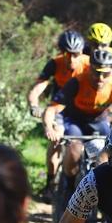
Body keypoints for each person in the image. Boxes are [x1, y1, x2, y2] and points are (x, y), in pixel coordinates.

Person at [42, 47, 112, 181]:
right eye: (96, 72)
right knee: (74, 151)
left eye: (105, 74)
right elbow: (52, 108)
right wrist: (49, 127)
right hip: (75, 121)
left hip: (99, 122)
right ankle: (69, 187)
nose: (100, 78)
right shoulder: (77, 81)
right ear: (89, 68)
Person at [30, 30, 90, 195]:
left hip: (82, 109)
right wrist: (34, 104)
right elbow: (40, 85)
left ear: (81, 52)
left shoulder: (90, 64)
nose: (71, 59)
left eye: (75, 54)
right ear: (61, 52)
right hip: (59, 109)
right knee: (55, 140)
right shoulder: (55, 63)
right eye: (67, 54)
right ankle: (50, 183)